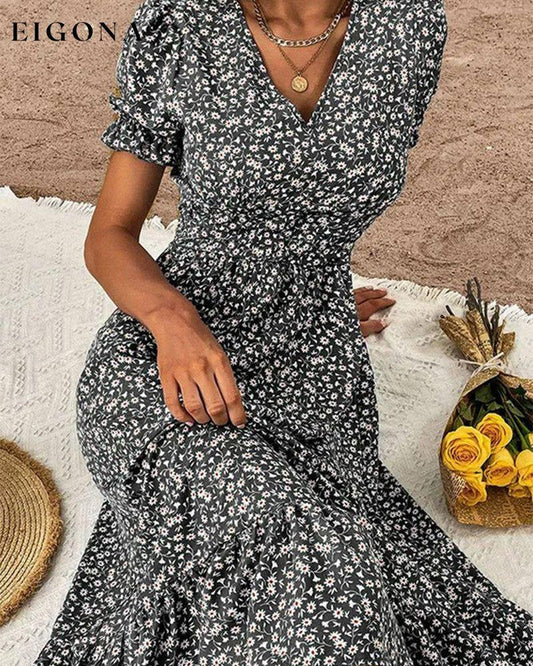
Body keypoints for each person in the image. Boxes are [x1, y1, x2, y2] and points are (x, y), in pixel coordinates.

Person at [36, 0, 533, 663]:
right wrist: (174, 322)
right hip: (165, 363)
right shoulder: (179, 24)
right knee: (309, 542)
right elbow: (109, 236)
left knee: (332, 556)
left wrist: (305, 282)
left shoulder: (409, 25)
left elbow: (308, 196)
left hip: (315, 369)